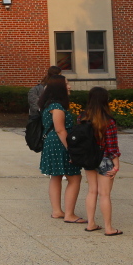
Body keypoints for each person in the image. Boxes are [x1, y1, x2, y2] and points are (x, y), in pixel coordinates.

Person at [38, 77, 84, 223]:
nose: (69, 87)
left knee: (56, 176)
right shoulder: (57, 106)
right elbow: (60, 130)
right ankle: (69, 214)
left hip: (51, 143)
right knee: (74, 177)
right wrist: (71, 150)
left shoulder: (48, 105)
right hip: (59, 143)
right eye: (67, 84)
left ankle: (57, 211)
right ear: (60, 89)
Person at [81, 87, 122, 236]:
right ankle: (108, 228)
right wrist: (116, 164)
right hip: (104, 159)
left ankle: (91, 223)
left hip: (89, 158)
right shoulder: (108, 121)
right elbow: (112, 146)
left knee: (92, 190)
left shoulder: (83, 117)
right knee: (104, 194)